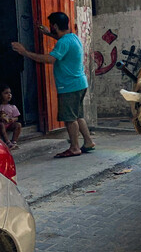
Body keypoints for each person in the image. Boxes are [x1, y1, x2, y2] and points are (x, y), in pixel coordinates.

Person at [12, 12, 95, 158]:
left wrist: (25, 52)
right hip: (80, 83)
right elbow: (61, 41)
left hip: (69, 86)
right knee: (78, 116)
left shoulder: (63, 43)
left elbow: (50, 59)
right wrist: (48, 34)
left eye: (51, 26)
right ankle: (88, 142)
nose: (51, 28)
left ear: (55, 26)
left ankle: (75, 147)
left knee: (70, 119)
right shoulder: (72, 37)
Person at [0, 85, 21, 150]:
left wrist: (13, 119)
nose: (9, 95)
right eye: (6, 93)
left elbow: (17, 117)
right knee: (1, 124)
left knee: (18, 125)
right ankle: (8, 142)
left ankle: (14, 142)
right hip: (2, 125)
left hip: (9, 125)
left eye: (10, 93)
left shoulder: (12, 106)